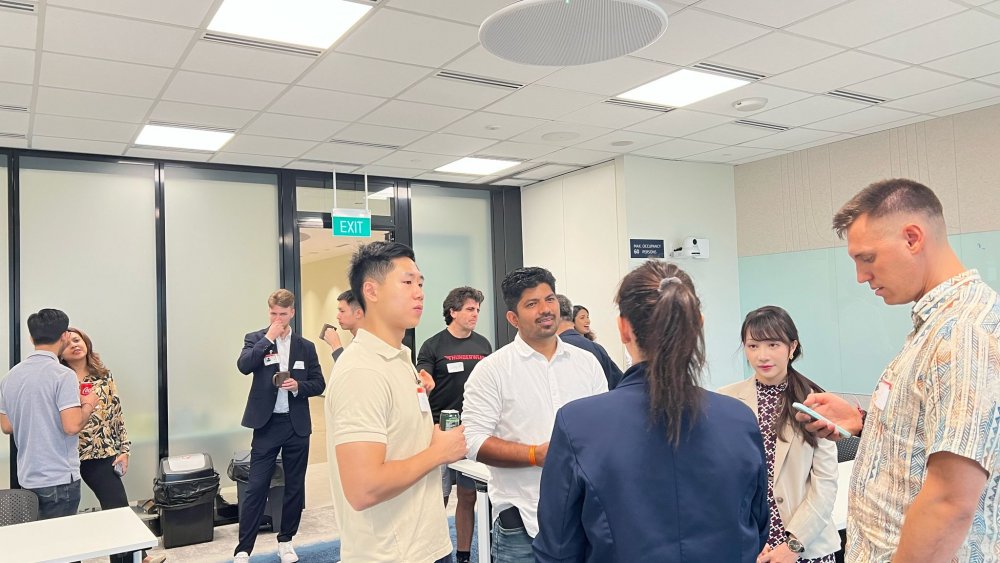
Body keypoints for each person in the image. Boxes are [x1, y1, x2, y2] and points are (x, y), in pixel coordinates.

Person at [797, 178, 999, 562]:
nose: (861, 276)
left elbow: (950, 502)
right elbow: (931, 437)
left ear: (912, 238)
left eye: (867, 258)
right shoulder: (937, 326)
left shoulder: (963, 334)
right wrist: (864, 423)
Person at [533, 262, 769, 562]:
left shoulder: (577, 424)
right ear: (698, 324)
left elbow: (557, 550)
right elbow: (756, 529)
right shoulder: (739, 420)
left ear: (623, 328)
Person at [326, 241, 466, 563]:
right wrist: (439, 452)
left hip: (428, 542)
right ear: (371, 291)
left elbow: (400, 441)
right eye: (407, 282)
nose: (419, 293)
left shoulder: (401, 358)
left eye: (420, 283)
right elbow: (364, 488)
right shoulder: (361, 370)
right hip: (390, 554)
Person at [462, 267, 607, 563]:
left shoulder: (587, 363)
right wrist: (534, 455)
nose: (545, 309)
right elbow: (473, 442)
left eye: (549, 299)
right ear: (513, 318)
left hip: (585, 518)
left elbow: (604, 428)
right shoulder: (492, 371)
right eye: (532, 304)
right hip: (524, 522)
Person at [718, 306, 839, 563]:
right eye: (753, 346)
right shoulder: (725, 401)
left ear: (792, 347)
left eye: (773, 344)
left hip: (807, 544)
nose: (762, 355)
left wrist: (792, 545)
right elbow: (723, 478)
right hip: (751, 545)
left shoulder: (816, 402)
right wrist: (749, 538)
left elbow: (825, 484)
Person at [234, 289, 326, 563]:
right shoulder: (256, 339)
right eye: (273, 313)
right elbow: (244, 366)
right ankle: (243, 549)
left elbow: (319, 383)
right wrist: (268, 339)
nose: (277, 318)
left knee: (294, 486)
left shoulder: (305, 347)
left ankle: (286, 541)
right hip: (267, 424)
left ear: (292, 313)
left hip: (296, 425)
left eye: (282, 314)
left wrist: (298, 386)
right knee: (256, 487)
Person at [61, 327, 159, 563]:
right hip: (67, 455)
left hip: (102, 452)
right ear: (60, 352)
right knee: (64, 516)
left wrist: (124, 449)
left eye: (78, 340)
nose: (75, 345)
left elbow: (117, 414)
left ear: (87, 343)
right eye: (68, 343)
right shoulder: (60, 379)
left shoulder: (103, 376)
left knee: (117, 508)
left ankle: (135, 558)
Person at [416, 286, 493, 563]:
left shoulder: (483, 345)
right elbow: (422, 377)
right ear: (453, 311)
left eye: (477, 310)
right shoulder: (433, 345)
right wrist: (423, 381)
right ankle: (432, 552)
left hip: (473, 430)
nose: (475, 314)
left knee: (469, 495)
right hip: (439, 430)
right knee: (438, 497)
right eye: (470, 309)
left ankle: (463, 554)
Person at [0, 308, 97, 520]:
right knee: (62, 539)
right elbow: (71, 426)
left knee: (38, 537)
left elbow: (6, 426)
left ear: (31, 338)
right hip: (59, 479)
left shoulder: (10, 377)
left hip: (27, 478)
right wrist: (88, 405)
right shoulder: (63, 375)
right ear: (64, 336)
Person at [556, 295, 623, 389]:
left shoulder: (554, 349)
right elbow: (619, 382)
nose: (587, 321)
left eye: (587, 317)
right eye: (582, 317)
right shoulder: (597, 349)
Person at [322, 289, 364, 361]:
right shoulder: (356, 340)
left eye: (342, 311)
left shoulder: (368, 342)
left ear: (358, 313)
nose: (338, 316)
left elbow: (348, 367)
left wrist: (336, 346)